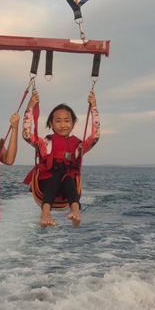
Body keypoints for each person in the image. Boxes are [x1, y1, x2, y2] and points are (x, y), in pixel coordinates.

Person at [23, 90, 100, 227]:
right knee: (56, 176)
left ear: (73, 123)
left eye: (66, 120)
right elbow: (26, 134)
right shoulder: (45, 143)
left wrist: (93, 106)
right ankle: (45, 213)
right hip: (46, 183)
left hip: (67, 188)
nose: (63, 125)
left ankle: (75, 210)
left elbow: (95, 137)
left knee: (68, 177)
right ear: (51, 124)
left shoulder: (78, 147)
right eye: (58, 121)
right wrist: (30, 107)